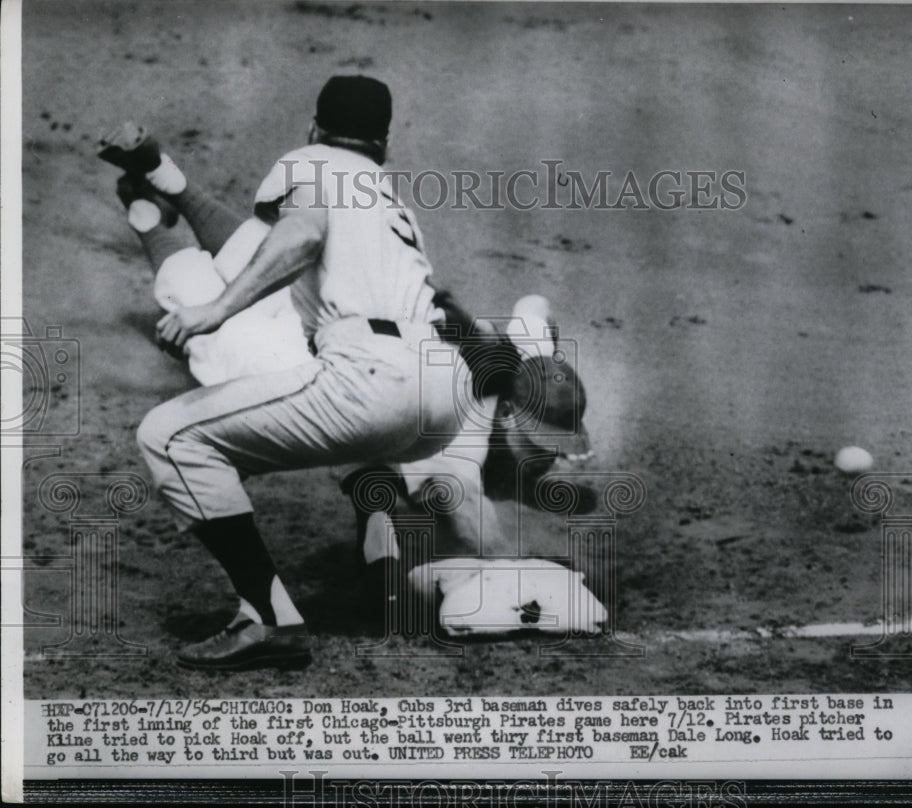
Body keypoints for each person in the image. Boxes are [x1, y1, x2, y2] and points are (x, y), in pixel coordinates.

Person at [100, 75, 597, 670]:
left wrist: (216, 308)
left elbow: (299, 236)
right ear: (383, 143)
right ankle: (158, 192)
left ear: (315, 130)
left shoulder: (313, 160)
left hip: (365, 374)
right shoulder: (390, 199)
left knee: (169, 431)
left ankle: (269, 618)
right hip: (437, 394)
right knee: (386, 463)